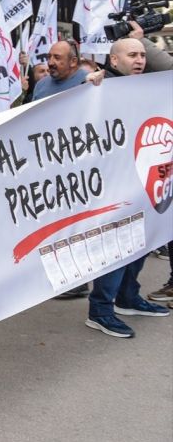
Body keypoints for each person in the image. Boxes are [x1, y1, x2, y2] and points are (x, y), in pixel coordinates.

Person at [84, 36, 170, 337]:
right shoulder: (97, 86)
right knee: (117, 248)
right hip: (113, 187)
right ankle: (100, 310)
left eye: (143, 55)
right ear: (114, 60)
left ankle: (127, 297)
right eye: (132, 55)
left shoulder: (148, 86)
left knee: (141, 244)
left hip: (143, 184)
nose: (140, 60)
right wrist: (93, 80)